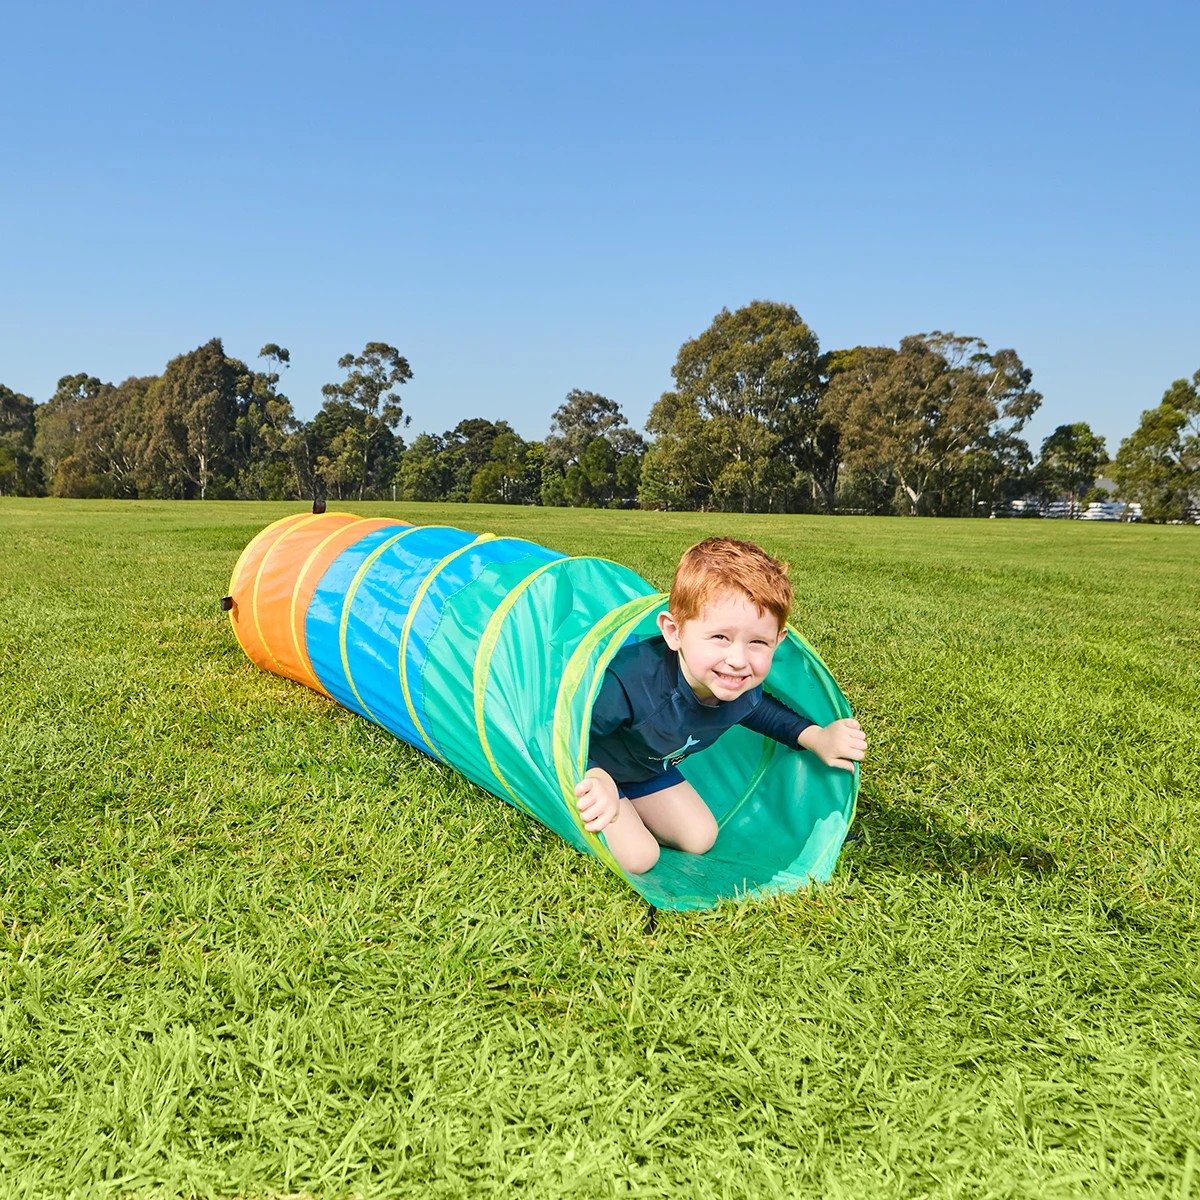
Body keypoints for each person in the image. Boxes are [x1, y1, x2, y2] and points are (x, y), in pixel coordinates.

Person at [574, 537, 867, 874]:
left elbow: (759, 711)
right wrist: (596, 776)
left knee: (701, 837)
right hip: (591, 768)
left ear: (778, 641)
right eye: (719, 638)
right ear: (674, 632)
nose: (738, 660)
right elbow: (571, 727)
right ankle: (616, 809)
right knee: (640, 857)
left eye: (757, 642)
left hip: (645, 771)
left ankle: (630, 807)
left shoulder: (736, 688)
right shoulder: (629, 680)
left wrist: (816, 737)